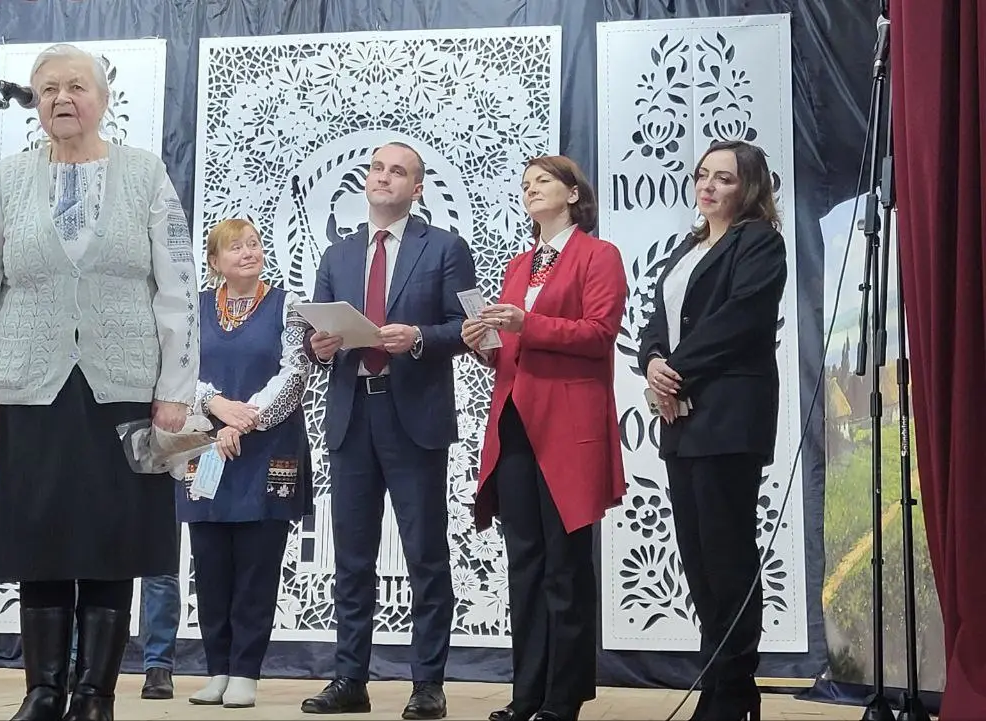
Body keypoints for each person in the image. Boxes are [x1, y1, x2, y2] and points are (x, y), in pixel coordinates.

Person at [0, 42, 198, 721]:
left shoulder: (145, 173)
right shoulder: (11, 177)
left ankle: (94, 695)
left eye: (76, 86)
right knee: (42, 537)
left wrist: (174, 387)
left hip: (124, 386)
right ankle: (42, 690)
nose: (62, 98)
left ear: (103, 99)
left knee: (113, 538)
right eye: (49, 88)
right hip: (31, 387)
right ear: (35, 102)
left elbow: (178, 286)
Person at [301, 142, 476, 719]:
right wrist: (321, 345)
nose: (383, 177)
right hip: (352, 415)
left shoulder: (445, 247)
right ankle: (349, 678)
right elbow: (315, 337)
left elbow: (468, 327)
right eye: (376, 168)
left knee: (425, 555)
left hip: (414, 419)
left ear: (417, 188)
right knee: (352, 559)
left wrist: (420, 338)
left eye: (397, 171)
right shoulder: (338, 254)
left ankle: (427, 683)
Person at [463, 156, 628, 721]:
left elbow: (599, 333)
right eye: (525, 184)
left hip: (567, 427)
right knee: (526, 563)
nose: (531, 189)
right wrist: (484, 343)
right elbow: (512, 352)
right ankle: (527, 692)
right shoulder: (519, 264)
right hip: (514, 422)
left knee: (565, 565)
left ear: (573, 194)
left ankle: (563, 697)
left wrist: (524, 325)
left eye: (543, 181)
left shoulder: (598, 255)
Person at [636, 139, 787, 721]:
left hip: (728, 416)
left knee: (727, 558)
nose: (708, 185)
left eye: (723, 178)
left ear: (748, 186)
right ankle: (723, 686)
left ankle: (732, 688)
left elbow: (739, 321)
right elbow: (657, 321)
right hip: (681, 418)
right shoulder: (689, 246)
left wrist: (674, 372)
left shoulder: (760, 242)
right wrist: (653, 362)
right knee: (698, 561)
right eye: (703, 175)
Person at [183, 219, 313, 709]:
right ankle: (216, 669)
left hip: (267, 448)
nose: (248, 253)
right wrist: (216, 407)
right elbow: (177, 369)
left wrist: (245, 419)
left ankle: (245, 672)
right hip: (207, 445)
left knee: (257, 567)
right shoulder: (194, 308)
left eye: (254, 244)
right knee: (210, 564)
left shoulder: (288, 306)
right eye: (235, 247)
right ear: (215, 261)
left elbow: (294, 372)